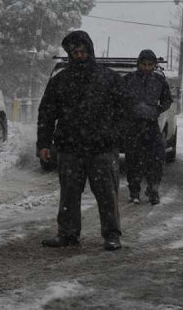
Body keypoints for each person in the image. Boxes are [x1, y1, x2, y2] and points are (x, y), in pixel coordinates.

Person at [37, 30, 125, 251]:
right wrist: (44, 144)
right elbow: (46, 114)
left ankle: (112, 235)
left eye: (83, 50)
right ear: (69, 54)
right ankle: (67, 233)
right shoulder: (60, 81)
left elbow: (125, 110)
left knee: (107, 195)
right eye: (74, 52)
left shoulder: (109, 78)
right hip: (69, 149)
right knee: (69, 195)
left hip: (102, 150)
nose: (79, 55)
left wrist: (115, 136)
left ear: (90, 50)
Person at [123, 49, 173, 206]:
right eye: (143, 64)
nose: (146, 68)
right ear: (138, 64)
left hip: (151, 124)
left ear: (154, 66)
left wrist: (157, 110)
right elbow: (118, 98)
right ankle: (134, 191)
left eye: (150, 65)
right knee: (133, 159)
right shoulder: (128, 80)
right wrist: (127, 111)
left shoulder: (159, 81)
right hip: (133, 125)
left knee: (156, 158)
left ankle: (153, 190)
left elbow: (167, 100)